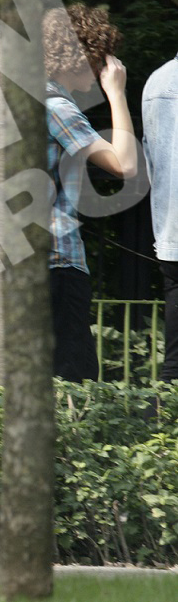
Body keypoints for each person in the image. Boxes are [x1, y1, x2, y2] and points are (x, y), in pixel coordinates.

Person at [42, 4, 137, 382]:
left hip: (33, 258)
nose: (104, 66)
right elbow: (125, 163)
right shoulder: (57, 107)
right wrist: (116, 94)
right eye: (100, 56)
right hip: (59, 260)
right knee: (72, 378)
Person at [141, 51, 178, 382]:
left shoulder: (157, 80)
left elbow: (150, 158)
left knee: (175, 360)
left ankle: (167, 428)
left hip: (170, 234)